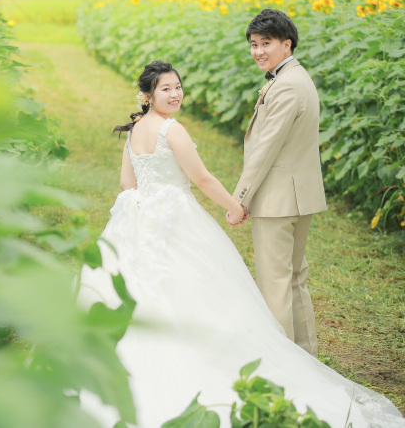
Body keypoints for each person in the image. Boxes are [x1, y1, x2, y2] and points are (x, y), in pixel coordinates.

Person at [76, 60, 404, 427]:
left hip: (140, 217)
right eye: (166, 88)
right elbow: (202, 178)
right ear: (148, 95)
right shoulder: (172, 130)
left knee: (147, 286)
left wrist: (146, 209)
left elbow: (127, 184)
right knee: (200, 287)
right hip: (176, 217)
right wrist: (235, 207)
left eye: (178, 86)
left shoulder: (136, 129)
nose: (175, 94)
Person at [231, 9, 325, 357]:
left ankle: (283, 369)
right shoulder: (298, 78)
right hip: (299, 197)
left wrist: (239, 199)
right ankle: (307, 358)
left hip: (278, 199)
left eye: (265, 44)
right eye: (253, 44)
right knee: (295, 279)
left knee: (275, 285)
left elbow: (264, 149)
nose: (257, 51)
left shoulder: (286, 85)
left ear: (287, 44)